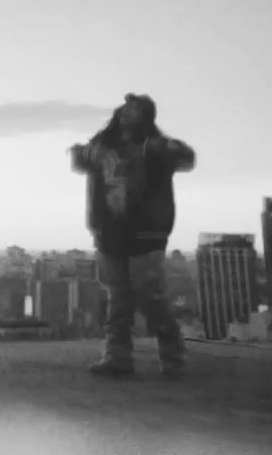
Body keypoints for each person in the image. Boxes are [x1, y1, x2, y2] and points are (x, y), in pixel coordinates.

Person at [69, 93, 196, 378]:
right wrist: (90, 153)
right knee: (118, 297)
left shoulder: (155, 148)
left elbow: (186, 158)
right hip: (110, 232)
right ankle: (118, 356)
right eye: (125, 110)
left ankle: (172, 355)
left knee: (149, 297)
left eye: (134, 110)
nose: (127, 115)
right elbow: (78, 158)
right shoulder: (103, 148)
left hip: (146, 233)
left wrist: (162, 149)